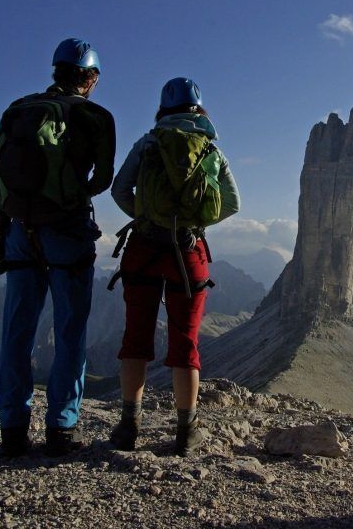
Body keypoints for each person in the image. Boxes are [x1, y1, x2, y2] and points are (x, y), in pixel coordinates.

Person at [0, 38, 116, 457]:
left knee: (16, 331)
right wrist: (72, 193)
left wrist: (0, 235)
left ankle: (12, 428)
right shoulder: (95, 116)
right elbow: (103, 179)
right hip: (66, 232)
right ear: (91, 78)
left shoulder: (18, 110)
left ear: (56, 70)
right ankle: (61, 428)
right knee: (69, 330)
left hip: (18, 231)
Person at [109, 77, 239, 455]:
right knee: (186, 342)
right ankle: (187, 432)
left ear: (163, 109)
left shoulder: (148, 143)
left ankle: (129, 426)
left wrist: (146, 217)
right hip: (188, 254)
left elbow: (119, 190)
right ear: (199, 108)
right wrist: (193, 226)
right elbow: (232, 204)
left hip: (144, 248)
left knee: (136, 338)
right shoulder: (211, 149)